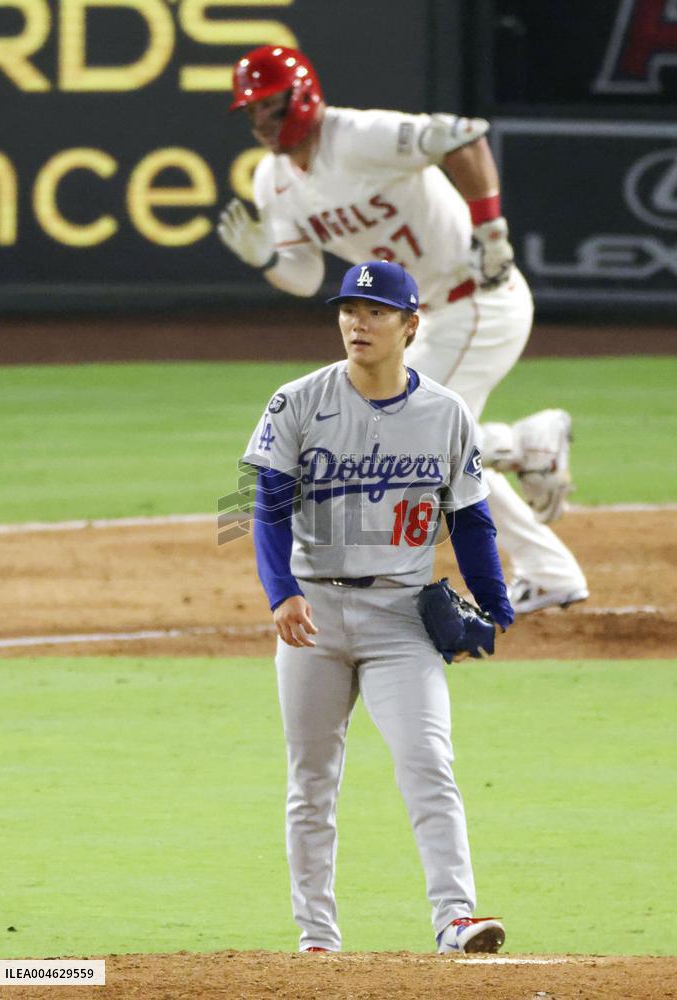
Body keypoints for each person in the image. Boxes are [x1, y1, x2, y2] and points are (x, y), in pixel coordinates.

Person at [220, 45, 588, 614]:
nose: (260, 122)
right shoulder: (273, 180)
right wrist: (267, 257)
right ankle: (537, 519)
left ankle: (525, 462)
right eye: (250, 112)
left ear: (302, 95)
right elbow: (305, 274)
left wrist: (492, 231)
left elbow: (464, 136)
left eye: (268, 106)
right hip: (428, 321)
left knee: (408, 442)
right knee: (419, 446)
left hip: (479, 301)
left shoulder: (358, 135)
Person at [243, 259, 512, 954]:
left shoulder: (445, 413)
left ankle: (455, 919)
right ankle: (317, 938)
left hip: (400, 619)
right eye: (347, 310)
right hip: (313, 619)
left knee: (427, 761)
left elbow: (472, 520)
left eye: (374, 313)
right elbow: (264, 507)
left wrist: (495, 604)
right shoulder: (297, 401)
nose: (356, 323)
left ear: (410, 326)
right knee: (311, 781)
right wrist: (282, 592)